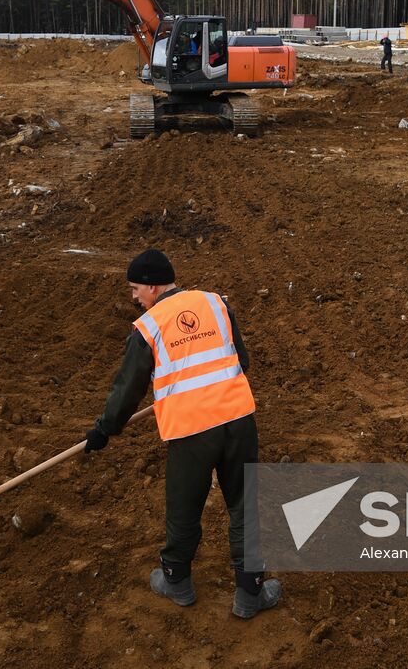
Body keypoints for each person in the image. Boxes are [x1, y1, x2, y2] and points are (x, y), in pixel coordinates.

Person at [84, 249, 282, 619]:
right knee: (245, 502)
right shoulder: (215, 303)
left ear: (154, 286)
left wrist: (103, 430)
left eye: (135, 288)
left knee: (183, 506)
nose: (134, 297)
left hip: (192, 430)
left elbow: (128, 389)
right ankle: (250, 593)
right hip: (238, 419)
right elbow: (242, 361)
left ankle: (177, 580)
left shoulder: (150, 325)